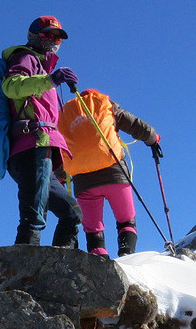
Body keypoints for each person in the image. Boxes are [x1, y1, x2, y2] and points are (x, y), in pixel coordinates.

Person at [1, 16, 81, 246]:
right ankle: (25, 269)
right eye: (48, 35)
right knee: (34, 215)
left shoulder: (43, 68)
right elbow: (11, 86)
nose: (54, 41)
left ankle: (59, 268)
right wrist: (51, 79)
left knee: (72, 213)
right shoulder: (26, 57)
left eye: (58, 37)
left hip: (43, 147)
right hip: (31, 144)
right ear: (35, 36)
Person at [56, 90, 161, 256]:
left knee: (93, 230)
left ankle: (99, 260)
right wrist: (152, 138)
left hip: (83, 182)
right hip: (115, 174)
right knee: (126, 220)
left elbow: (63, 148)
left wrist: (60, 176)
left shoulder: (65, 115)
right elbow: (133, 124)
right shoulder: (105, 105)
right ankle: (127, 254)